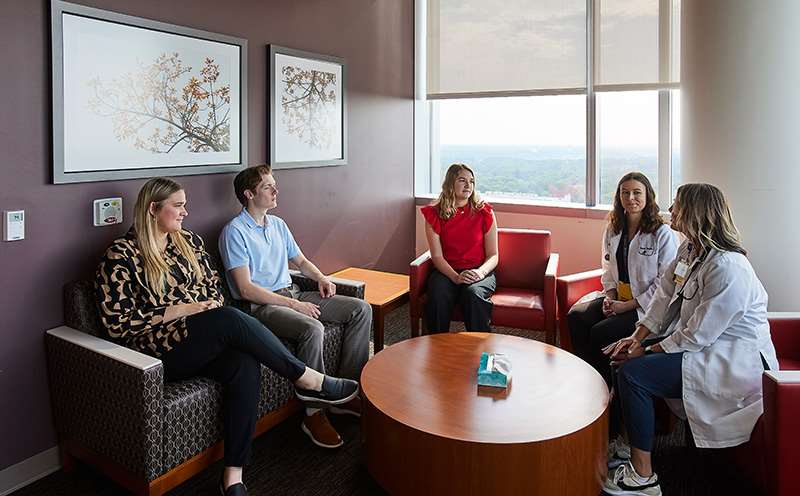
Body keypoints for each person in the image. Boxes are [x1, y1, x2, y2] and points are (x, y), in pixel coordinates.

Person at [95, 177, 359, 496]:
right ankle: (308, 379)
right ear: (153, 209)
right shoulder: (121, 255)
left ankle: (232, 476)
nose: (185, 212)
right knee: (229, 318)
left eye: (184, 205)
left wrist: (202, 308)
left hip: (203, 336)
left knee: (243, 363)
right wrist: (183, 309)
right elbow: (118, 324)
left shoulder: (188, 242)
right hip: (158, 350)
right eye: (177, 206)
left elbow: (214, 292)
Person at [601, 183, 779, 496]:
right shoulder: (691, 250)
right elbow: (663, 298)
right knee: (622, 361)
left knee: (633, 374)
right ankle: (633, 449)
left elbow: (698, 334)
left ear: (696, 213)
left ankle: (645, 479)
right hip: (702, 346)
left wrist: (643, 351)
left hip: (732, 361)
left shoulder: (728, 268)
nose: (671, 207)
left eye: (678, 204)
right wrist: (635, 338)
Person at [219, 165, 371, 450]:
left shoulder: (278, 225)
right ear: (249, 194)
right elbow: (244, 289)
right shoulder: (234, 232)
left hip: (295, 293)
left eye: (274, 185)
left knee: (360, 309)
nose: (276, 191)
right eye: (268, 187)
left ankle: (346, 394)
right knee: (312, 327)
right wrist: (293, 305)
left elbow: (300, 261)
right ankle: (314, 413)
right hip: (262, 306)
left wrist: (322, 277)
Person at [567, 172, 678, 464]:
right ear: (618, 197)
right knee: (577, 317)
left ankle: (611, 406)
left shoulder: (662, 234)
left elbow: (663, 285)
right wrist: (611, 295)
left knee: (601, 334)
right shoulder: (613, 228)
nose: (631, 198)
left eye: (637, 193)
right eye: (625, 192)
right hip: (619, 298)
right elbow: (606, 267)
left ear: (648, 196)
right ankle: (595, 385)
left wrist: (627, 306)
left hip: (647, 308)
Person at [421, 163, 498, 333]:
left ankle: (480, 348)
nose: (468, 185)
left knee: (473, 294)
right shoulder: (434, 213)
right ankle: (436, 347)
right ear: (450, 184)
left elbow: (493, 255)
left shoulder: (484, 212)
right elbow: (437, 257)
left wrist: (480, 272)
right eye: (462, 180)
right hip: (446, 271)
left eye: (471, 181)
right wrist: (455, 277)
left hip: (479, 270)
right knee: (438, 294)